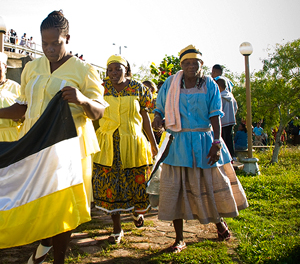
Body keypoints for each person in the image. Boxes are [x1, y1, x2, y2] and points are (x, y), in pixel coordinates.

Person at [0, 10, 106, 264]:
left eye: (55, 43)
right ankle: (45, 243)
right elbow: (24, 106)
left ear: (67, 38)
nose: (49, 49)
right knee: (40, 201)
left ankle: (58, 258)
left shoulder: (83, 70)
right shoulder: (31, 68)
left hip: (68, 149)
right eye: (44, 43)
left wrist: (82, 100)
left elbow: (98, 111)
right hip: (36, 145)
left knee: (63, 205)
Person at [152, 45, 248, 253]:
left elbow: (215, 115)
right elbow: (158, 107)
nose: (190, 66)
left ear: (201, 65)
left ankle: (219, 224)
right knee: (175, 189)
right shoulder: (171, 83)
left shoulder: (210, 85)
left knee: (208, 186)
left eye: (195, 63)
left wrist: (216, 142)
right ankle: (179, 239)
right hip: (177, 143)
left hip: (204, 142)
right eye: (186, 63)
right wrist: (158, 118)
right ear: (181, 65)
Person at [93, 55, 158, 244]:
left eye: (118, 69)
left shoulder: (139, 88)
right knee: (110, 186)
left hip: (133, 143)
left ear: (126, 70)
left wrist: (153, 143)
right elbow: (94, 114)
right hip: (107, 143)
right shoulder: (100, 88)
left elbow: (144, 116)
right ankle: (117, 228)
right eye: (110, 70)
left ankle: (137, 212)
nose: (113, 73)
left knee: (137, 182)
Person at [216, 78, 238, 159]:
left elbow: (218, 109)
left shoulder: (220, 97)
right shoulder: (231, 96)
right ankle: (232, 155)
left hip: (222, 122)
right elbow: (236, 107)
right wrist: (232, 115)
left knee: (222, 140)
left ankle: (225, 157)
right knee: (229, 139)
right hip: (231, 120)